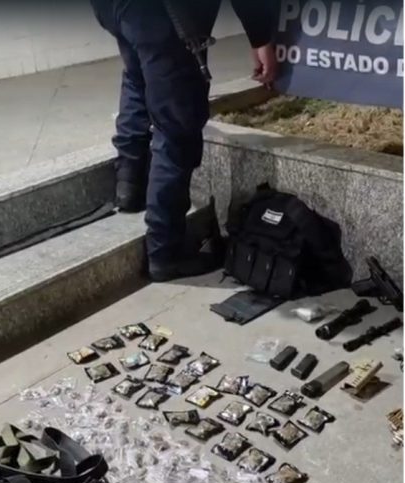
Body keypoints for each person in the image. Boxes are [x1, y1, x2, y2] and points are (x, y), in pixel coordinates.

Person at [90, 0, 278, 282]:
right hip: (167, 14)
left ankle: (129, 185)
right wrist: (260, 37)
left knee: (138, 76)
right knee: (177, 125)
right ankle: (165, 250)